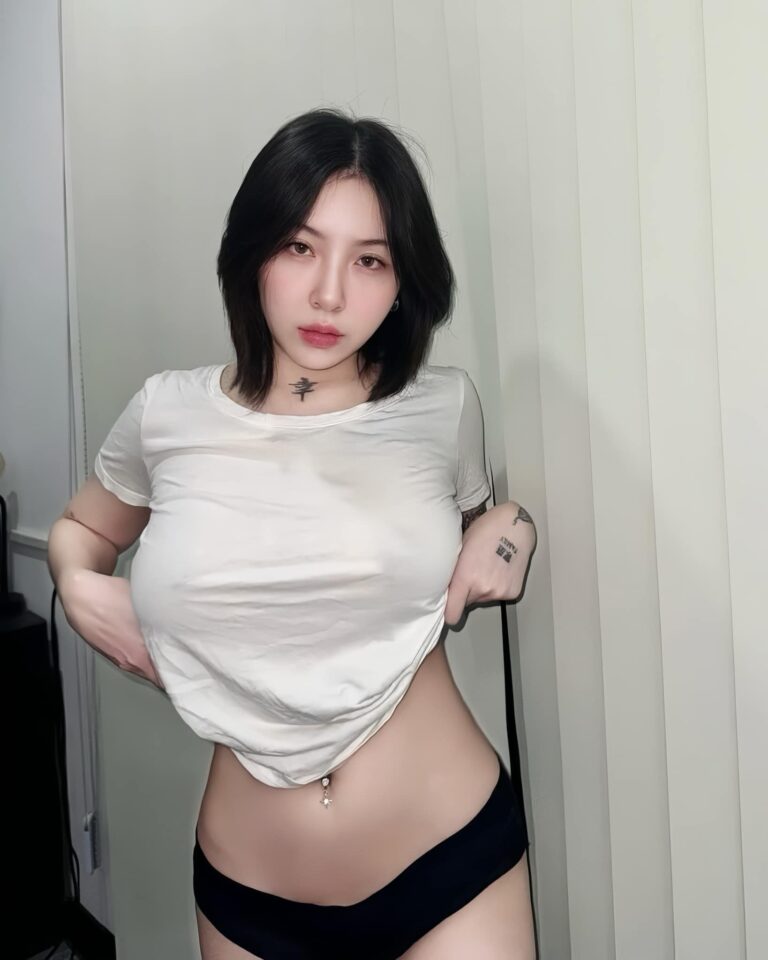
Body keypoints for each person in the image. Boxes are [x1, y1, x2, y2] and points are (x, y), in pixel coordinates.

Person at [47, 108, 537, 959]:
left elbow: (469, 528)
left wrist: (512, 528)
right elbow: (82, 529)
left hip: (450, 862)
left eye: (370, 259)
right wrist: (78, 588)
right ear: (253, 252)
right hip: (252, 893)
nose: (329, 295)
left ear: (403, 279)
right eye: (300, 247)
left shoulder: (441, 406)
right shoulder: (167, 413)